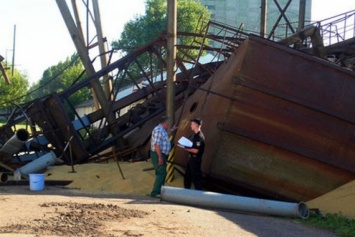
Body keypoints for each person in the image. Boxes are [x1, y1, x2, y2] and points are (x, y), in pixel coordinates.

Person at [149, 116, 172, 197]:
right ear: (165, 123)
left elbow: (164, 137)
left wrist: (172, 130)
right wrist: (160, 157)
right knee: (161, 172)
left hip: (161, 154)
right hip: (158, 154)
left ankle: (160, 191)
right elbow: (156, 144)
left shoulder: (162, 130)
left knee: (163, 172)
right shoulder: (158, 130)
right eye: (168, 124)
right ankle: (155, 192)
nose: (168, 125)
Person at [184, 118, 205, 190]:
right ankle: (186, 191)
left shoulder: (199, 137)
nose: (191, 126)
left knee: (196, 178)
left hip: (195, 160)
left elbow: (196, 151)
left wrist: (185, 148)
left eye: (192, 124)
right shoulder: (195, 135)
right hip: (191, 159)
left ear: (196, 126)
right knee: (187, 176)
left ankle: (199, 194)